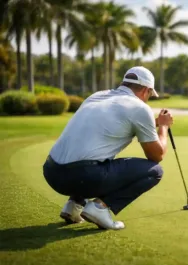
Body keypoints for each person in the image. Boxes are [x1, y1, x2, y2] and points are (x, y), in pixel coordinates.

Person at [42, 66, 173, 230]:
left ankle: (73, 206)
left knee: (94, 156)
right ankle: (100, 208)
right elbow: (157, 155)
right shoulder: (140, 108)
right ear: (146, 90)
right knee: (154, 171)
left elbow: (122, 125)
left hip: (52, 173)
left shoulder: (97, 96)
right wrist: (164, 127)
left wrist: (154, 123)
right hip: (82, 177)